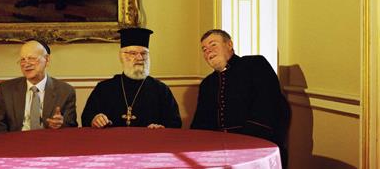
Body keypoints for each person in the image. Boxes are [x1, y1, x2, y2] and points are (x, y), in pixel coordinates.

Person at [191, 29, 290, 168]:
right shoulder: (207, 83)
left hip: (256, 143)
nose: (208, 51)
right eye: (204, 49)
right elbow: (201, 120)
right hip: (218, 149)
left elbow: (268, 104)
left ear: (229, 44)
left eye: (213, 44)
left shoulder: (255, 64)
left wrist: (243, 142)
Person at [81, 28, 182, 128]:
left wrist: (161, 128)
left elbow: (175, 123)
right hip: (112, 143)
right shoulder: (104, 89)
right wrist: (94, 119)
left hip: (149, 143)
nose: (139, 58)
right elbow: (86, 118)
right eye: (133, 53)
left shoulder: (161, 90)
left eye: (144, 53)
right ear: (122, 57)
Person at [0, 40, 77, 134]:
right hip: (15, 143)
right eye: (23, 59)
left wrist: (61, 125)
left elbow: (71, 126)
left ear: (47, 60)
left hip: (50, 143)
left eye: (31, 58)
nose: (26, 64)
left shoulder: (65, 91)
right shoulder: (6, 89)